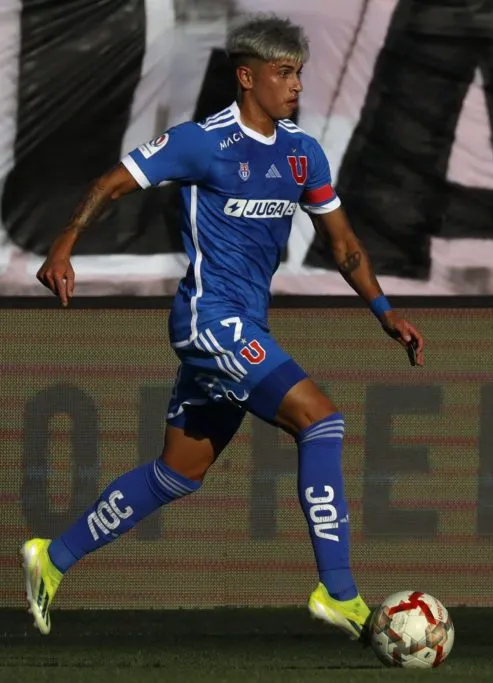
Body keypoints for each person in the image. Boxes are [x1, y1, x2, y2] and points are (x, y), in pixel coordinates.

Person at [21, 13, 425, 639]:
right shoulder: (201, 143)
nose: (295, 86)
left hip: (242, 325)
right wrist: (65, 241)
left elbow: (343, 246)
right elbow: (112, 183)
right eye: (283, 73)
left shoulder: (301, 153)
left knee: (177, 473)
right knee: (322, 420)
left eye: (299, 73)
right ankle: (338, 591)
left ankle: (52, 557)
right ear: (246, 76)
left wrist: (384, 310)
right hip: (210, 322)